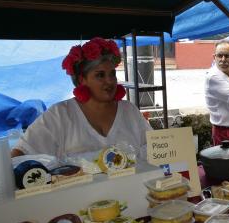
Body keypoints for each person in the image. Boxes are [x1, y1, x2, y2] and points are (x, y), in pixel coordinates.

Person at [12, 37, 151, 160]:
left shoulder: (129, 111)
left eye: (112, 74)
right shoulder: (60, 114)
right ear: (82, 80)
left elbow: (157, 148)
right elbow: (22, 152)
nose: (109, 81)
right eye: (100, 75)